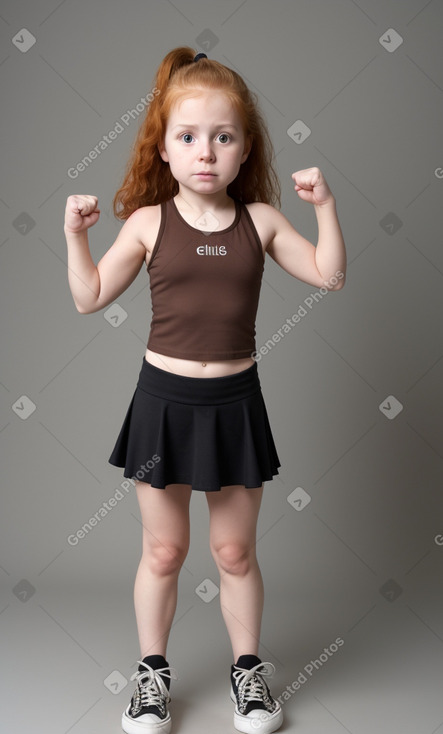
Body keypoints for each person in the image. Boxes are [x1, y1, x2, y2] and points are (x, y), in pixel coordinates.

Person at [64, 46, 346, 734]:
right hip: (163, 404)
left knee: (234, 553)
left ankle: (248, 674)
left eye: (223, 137)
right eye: (188, 137)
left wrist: (326, 207)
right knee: (163, 552)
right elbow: (90, 297)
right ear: (162, 148)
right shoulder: (148, 223)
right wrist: (74, 237)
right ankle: (152, 677)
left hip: (233, 405)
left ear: (245, 147)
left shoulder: (262, 221)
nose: (206, 152)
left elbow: (328, 276)